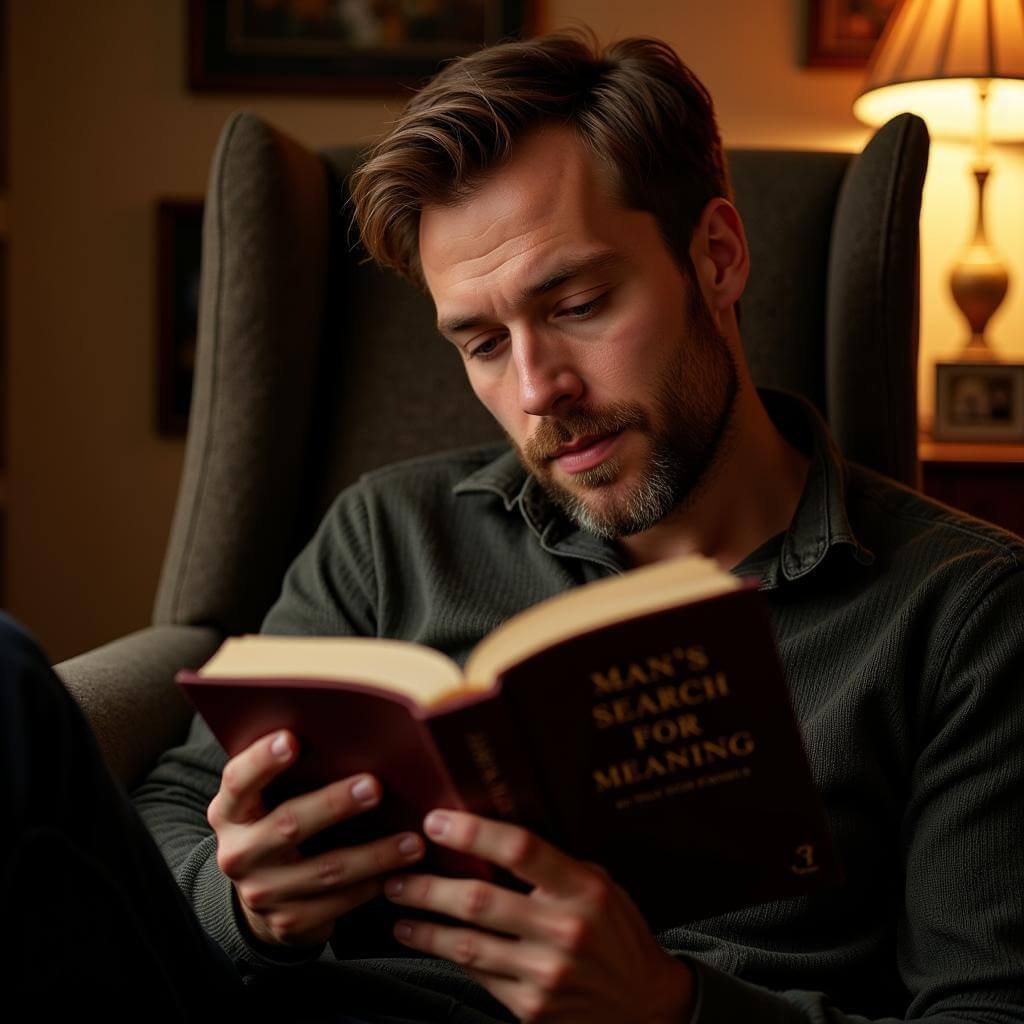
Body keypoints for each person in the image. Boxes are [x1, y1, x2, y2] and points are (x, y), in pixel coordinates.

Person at [8, 28, 1023, 1024]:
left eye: (577, 303)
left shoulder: (963, 612)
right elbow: (174, 802)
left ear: (715, 258)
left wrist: (669, 1007)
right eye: (483, 342)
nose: (539, 390)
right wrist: (243, 903)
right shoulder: (388, 532)